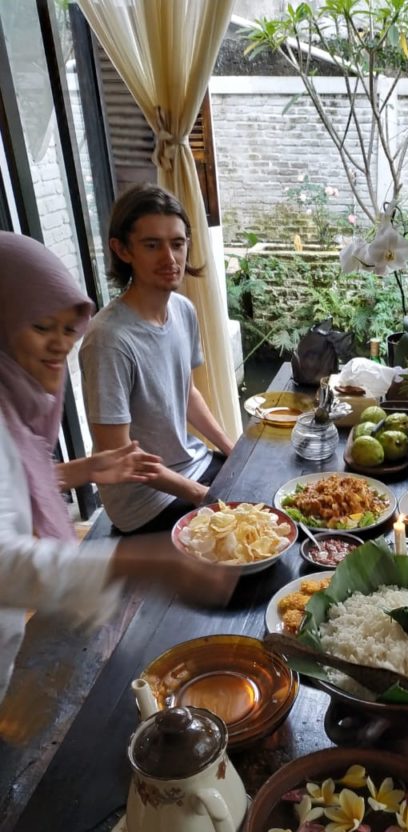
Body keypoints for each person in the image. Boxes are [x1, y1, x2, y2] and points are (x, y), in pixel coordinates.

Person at [0, 231, 236, 702]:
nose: (59, 346)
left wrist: (82, 470)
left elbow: (10, 485)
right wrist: (143, 560)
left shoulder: (14, 403)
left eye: (68, 329)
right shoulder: (111, 339)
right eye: (41, 327)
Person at [79, 184, 235, 534]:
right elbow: (121, 457)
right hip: (143, 500)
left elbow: (187, 393)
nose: (170, 258)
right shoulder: (108, 339)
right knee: (242, 539)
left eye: (177, 244)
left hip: (191, 463)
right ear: (122, 250)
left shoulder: (182, 309)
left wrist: (233, 449)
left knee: (265, 487)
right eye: (152, 245)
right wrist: (203, 495)